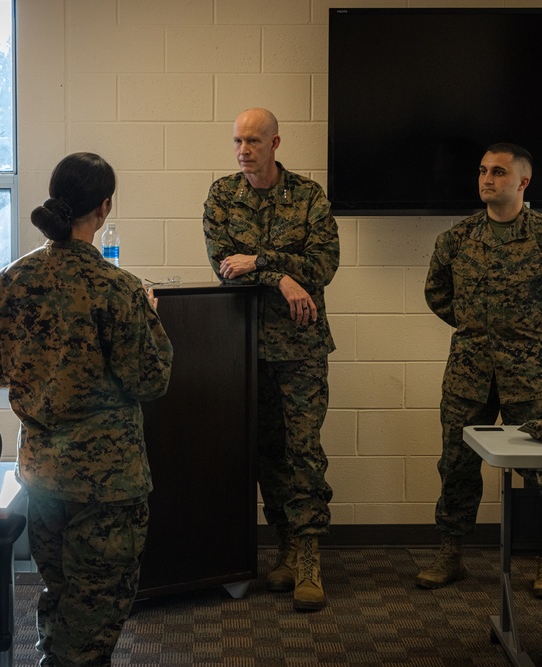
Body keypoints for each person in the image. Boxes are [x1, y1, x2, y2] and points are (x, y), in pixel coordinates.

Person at [0, 152, 173, 666]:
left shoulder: (12, 281)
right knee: (95, 614)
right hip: (107, 484)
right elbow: (150, 379)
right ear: (103, 208)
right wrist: (149, 319)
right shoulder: (119, 288)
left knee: (61, 596)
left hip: (41, 477)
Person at [419, 143, 542, 598]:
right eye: (482, 170)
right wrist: (477, 330)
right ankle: (451, 553)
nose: (486, 179)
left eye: (498, 172)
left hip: (531, 373)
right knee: (457, 465)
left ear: (523, 182)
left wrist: (540, 336)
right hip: (469, 370)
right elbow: (436, 293)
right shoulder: (457, 239)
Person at [203, 108, 339, 612]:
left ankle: (308, 558)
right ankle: (282, 545)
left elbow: (323, 266)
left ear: (276, 142)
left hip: (300, 349)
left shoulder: (308, 197)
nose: (244, 150)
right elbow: (223, 266)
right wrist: (282, 277)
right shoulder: (222, 196)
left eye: (254, 140)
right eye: (238, 140)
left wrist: (261, 261)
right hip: (244, 349)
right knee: (263, 453)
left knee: (303, 452)